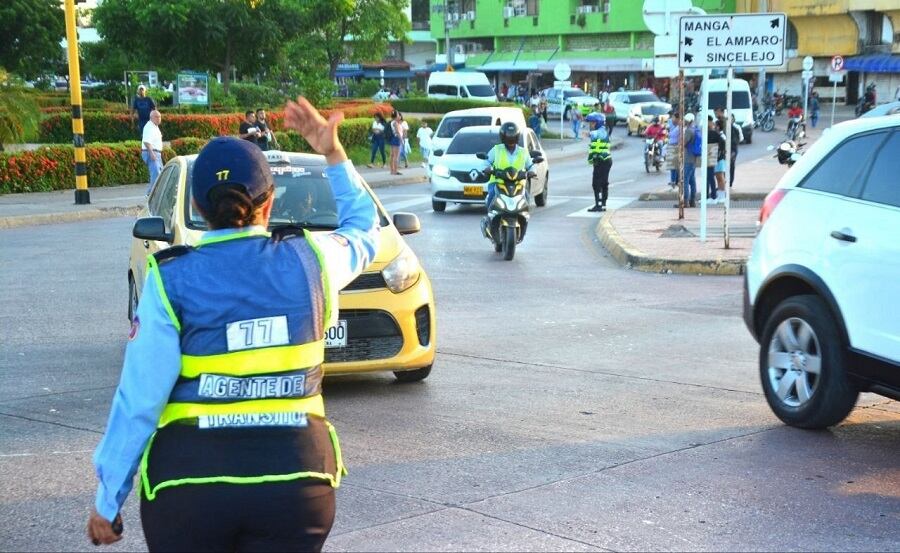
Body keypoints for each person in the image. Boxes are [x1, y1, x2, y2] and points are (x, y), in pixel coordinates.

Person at [86, 96, 379, 552]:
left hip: (189, 491)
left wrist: (108, 500)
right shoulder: (312, 260)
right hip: (296, 486)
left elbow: (138, 400)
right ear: (270, 202)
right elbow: (363, 228)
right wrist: (332, 152)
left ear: (198, 206)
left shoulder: (170, 278)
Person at [483, 122, 533, 216]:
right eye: (508, 137)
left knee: (526, 196)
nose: (511, 141)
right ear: (503, 137)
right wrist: (488, 169)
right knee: (492, 195)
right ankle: (489, 217)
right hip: (498, 182)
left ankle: (523, 218)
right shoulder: (497, 149)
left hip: (518, 183)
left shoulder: (523, 152)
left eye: (513, 137)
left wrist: (532, 172)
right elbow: (487, 161)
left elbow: (530, 165)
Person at [586, 113, 612, 212]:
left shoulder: (602, 131)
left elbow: (599, 134)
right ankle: (601, 204)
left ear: (598, 123)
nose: (591, 125)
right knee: (601, 182)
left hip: (603, 160)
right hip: (600, 160)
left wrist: (589, 134)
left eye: (592, 123)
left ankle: (600, 204)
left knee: (598, 183)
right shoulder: (601, 130)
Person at [141, 110, 163, 195]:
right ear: (151, 118)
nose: (158, 119)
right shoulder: (149, 127)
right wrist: (151, 153)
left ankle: (157, 194)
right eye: (156, 117)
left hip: (156, 152)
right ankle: (151, 194)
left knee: (161, 174)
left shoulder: (155, 126)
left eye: (159, 117)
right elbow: (146, 141)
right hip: (151, 152)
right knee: (156, 173)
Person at [681, 112, 700, 208]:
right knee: (692, 181)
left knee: (685, 180)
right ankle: (692, 201)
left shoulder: (689, 131)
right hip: (693, 158)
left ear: (689, 121)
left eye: (685, 120)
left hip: (688, 158)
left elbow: (683, 143)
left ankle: (686, 201)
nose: (684, 122)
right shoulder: (695, 129)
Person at [666, 112, 682, 188]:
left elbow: (672, 135)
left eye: (673, 117)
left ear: (677, 118)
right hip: (673, 146)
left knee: (673, 166)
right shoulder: (675, 125)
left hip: (675, 147)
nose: (672, 119)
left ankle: (674, 181)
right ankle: (674, 181)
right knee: (674, 166)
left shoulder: (679, 127)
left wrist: (668, 133)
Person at [388, 110, 403, 175]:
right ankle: (395, 171)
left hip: (392, 138)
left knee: (392, 155)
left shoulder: (392, 122)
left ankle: (392, 170)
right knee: (396, 156)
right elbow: (397, 132)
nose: (399, 116)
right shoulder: (395, 123)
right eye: (398, 115)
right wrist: (401, 140)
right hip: (396, 138)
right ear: (396, 116)